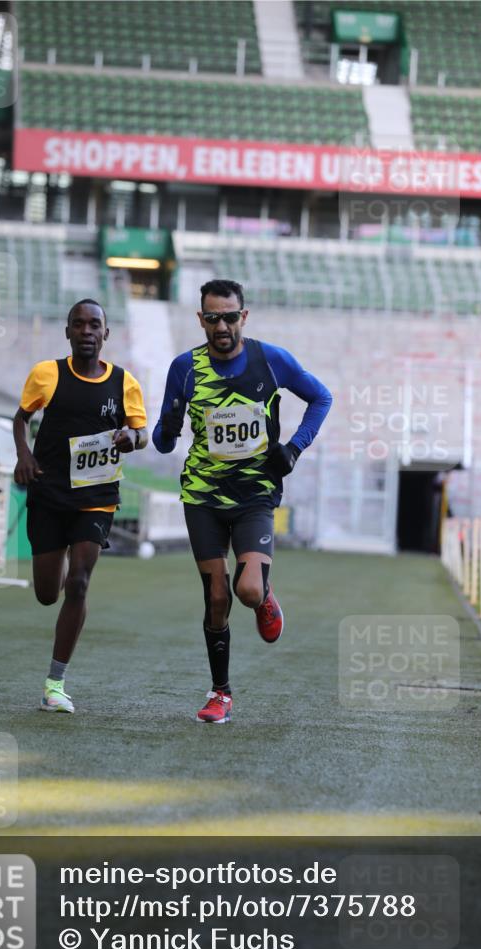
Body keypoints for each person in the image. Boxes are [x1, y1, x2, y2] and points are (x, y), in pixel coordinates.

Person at [153, 279, 332, 724]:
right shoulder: (185, 368)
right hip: (203, 496)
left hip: (255, 493)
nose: (222, 326)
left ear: (243, 317)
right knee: (216, 598)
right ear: (201, 320)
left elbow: (321, 398)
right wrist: (169, 422)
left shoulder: (270, 360)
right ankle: (221, 693)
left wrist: (294, 447)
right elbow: (162, 439)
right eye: (212, 318)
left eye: (230, 316)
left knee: (247, 590)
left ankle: (265, 595)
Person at [13, 298, 148, 714]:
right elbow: (20, 418)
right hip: (50, 493)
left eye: (95, 325)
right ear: (67, 331)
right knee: (46, 594)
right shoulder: (46, 374)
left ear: (106, 334)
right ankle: (57, 584)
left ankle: (55, 683)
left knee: (80, 583)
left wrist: (132, 438)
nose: (87, 331)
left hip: (97, 495)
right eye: (79, 324)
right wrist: (23, 455)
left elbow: (143, 434)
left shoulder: (124, 383)